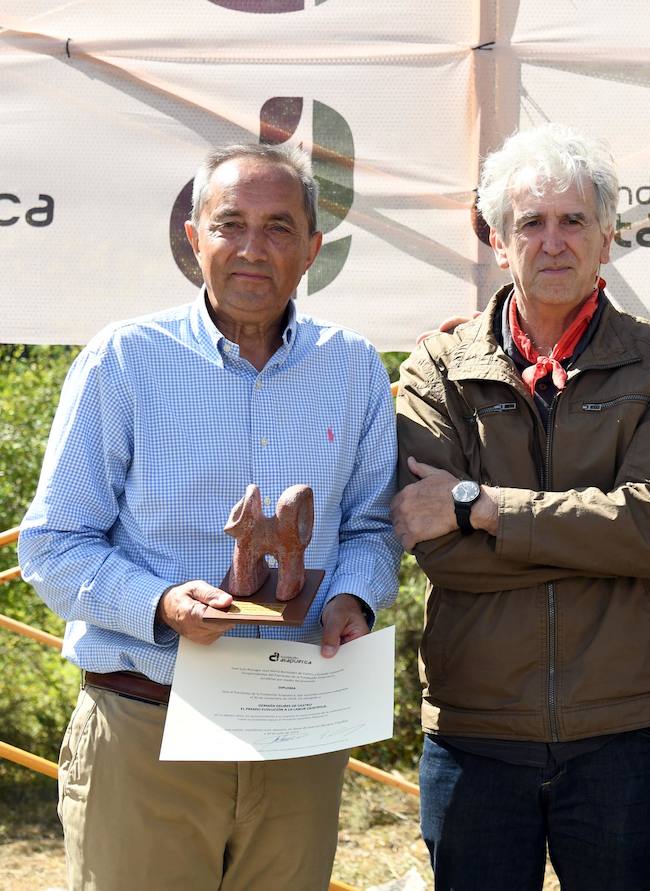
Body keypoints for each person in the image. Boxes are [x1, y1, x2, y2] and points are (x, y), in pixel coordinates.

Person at [19, 143, 400, 891]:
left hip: (295, 726)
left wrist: (352, 598)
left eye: (280, 227)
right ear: (193, 238)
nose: (254, 248)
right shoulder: (124, 360)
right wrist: (160, 605)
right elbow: (53, 544)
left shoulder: (352, 366)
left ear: (315, 250)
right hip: (147, 725)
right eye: (231, 224)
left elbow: (370, 527)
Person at [389, 123, 650, 891]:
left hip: (622, 728)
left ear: (608, 238)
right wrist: (590, 537)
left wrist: (479, 503)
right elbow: (437, 546)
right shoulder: (438, 365)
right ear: (499, 243)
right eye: (531, 223)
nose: (554, 240)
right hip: (475, 727)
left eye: (574, 220)